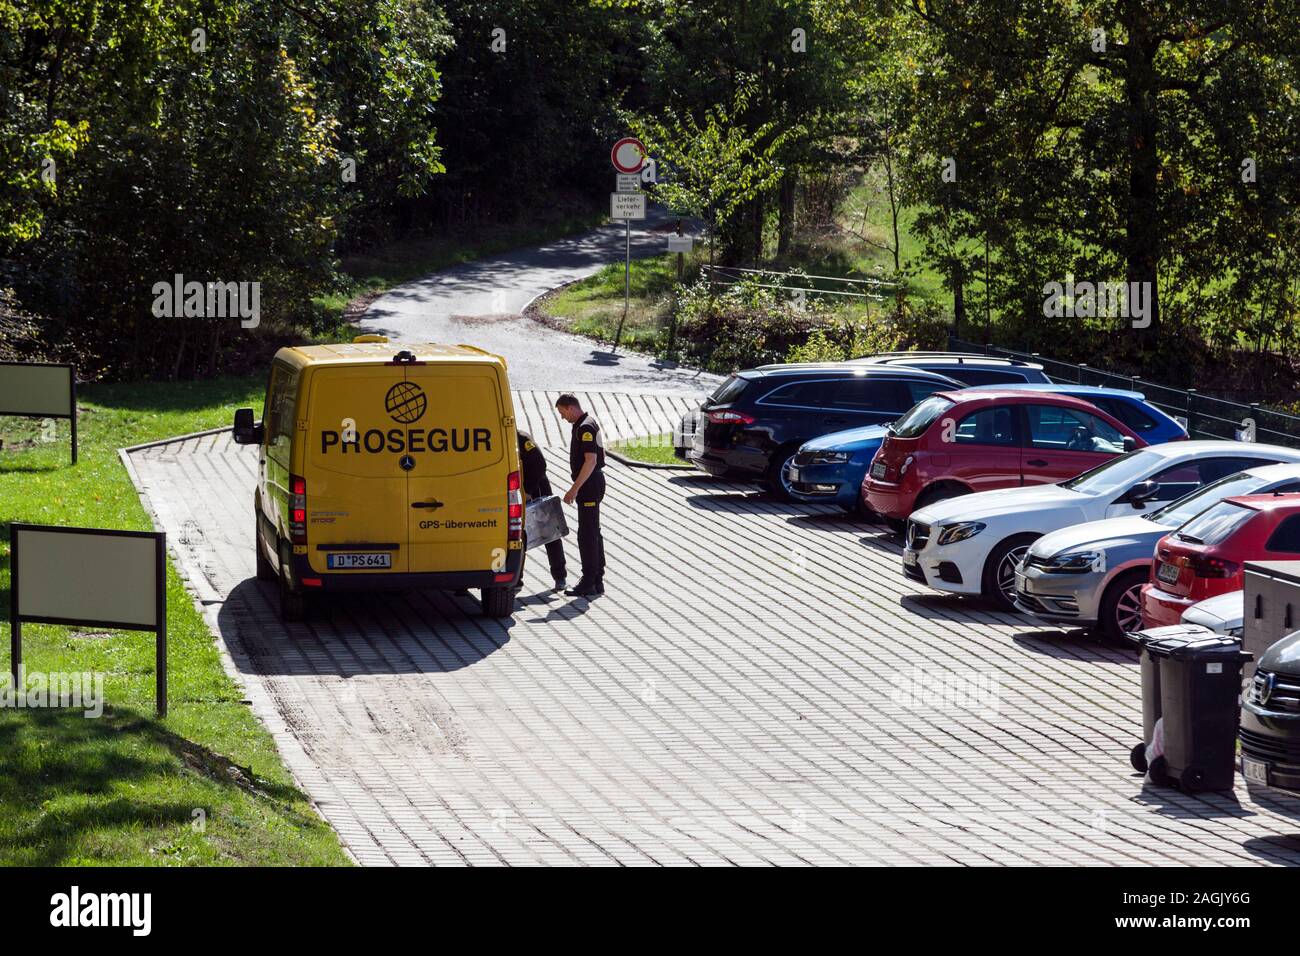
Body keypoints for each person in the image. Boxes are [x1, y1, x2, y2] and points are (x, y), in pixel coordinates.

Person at [555, 394, 605, 596]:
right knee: (593, 531)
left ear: (570, 408)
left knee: (587, 534)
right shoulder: (584, 423)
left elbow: (590, 461)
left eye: (562, 412)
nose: (562, 417)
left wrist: (573, 489)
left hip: (590, 484)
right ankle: (597, 579)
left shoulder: (585, 427)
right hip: (591, 483)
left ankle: (588, 581)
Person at [517, 429, 567, 591]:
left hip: (537, 490)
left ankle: (560, 576)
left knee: (550, 533)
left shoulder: (522, 438)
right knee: (517, 536)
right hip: (516, 492)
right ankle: (516, 579)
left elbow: (539, 464)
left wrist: (528, 491)